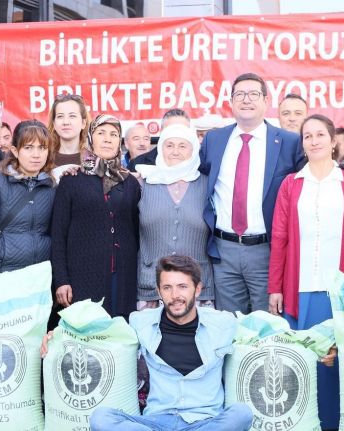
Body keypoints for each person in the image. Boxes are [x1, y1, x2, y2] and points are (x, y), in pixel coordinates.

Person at [200, 72, 344, 313]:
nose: (246, 99)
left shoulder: (288, 142)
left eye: (253, 94)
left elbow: (319, 169)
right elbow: (191, 172)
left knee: (268, 326)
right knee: (229, 326)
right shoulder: (214, 140)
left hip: (266, 251)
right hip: (223, 252)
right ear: (231, 101)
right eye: (240, 94)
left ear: (266, 101)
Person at [42, 255, 253, 431]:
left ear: (197, 289)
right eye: (167, 288)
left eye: (182, 287)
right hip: (156, 422)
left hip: (205, 422)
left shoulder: (224, 324)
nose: (175, 295)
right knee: (101, 418)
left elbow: (261, 333)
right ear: (159, 292)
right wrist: (57, 336)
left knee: (242, 414)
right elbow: (97, 333)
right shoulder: (140, 322)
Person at [268, 114, 344, 430]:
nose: (314, 141)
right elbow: (280, 237)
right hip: (298, 288)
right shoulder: (291, 184)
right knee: (302, 363)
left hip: (336, 290)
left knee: (333, 363)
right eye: (308, 136)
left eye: (320, 135)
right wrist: (275, 287)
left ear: (333, 140)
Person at [51, 114, 140, 317]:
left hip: (123, 276)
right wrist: (61, 279)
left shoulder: (130, 183)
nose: (108, 139)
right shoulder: (72, 180)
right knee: (88, 330)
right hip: (82, 276)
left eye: (114, 134)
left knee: (120, 328)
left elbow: (135, 231)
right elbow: (58, 235)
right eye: (101, 133)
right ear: (91, 138)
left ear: (119, 141)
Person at [136, 124, 215, 309]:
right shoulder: (142, 183)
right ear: (160, 148)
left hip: (198, 288)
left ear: (193, 150)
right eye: (169, 145)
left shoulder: (208, 185)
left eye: (182, 146)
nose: (175, 151)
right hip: (151, 287)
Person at [0, 120, 56, 275]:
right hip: (4, 274)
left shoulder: (52, 186)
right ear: (15, 151)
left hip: (41, 276)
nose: (36, 155)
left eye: (42, 148)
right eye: (28, 147)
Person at [47, 93, 89, 167]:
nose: (66, 122)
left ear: (83, 123)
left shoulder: (95, 160)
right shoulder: (44, 159)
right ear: (54, 124)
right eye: (60, 116)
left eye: (72, 116)